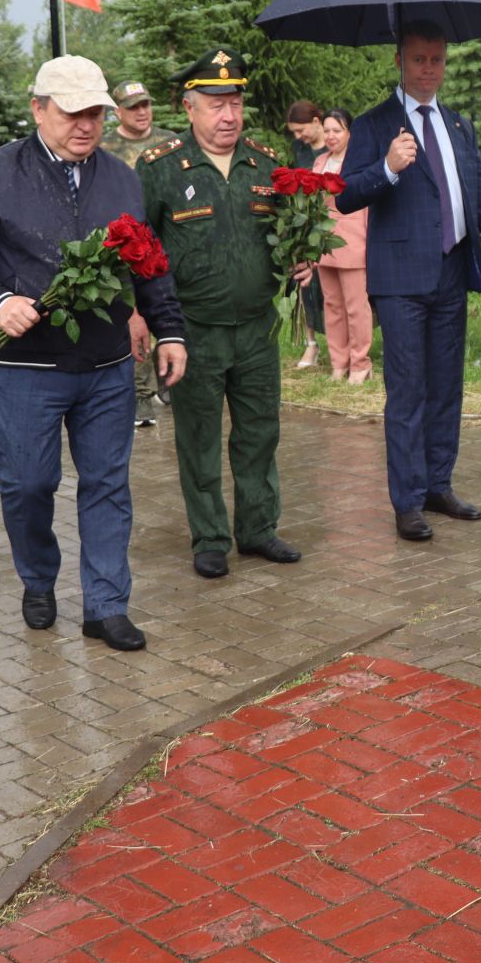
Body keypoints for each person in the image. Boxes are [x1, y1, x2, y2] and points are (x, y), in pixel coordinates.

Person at [0, 56, 188, 652]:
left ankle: (105, 604)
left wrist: (168, 328)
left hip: (105, 367)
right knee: (27, 484)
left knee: (107, 484)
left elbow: (148, 261)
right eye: (73, 112)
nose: (87, 124)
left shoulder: (123, 179)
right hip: (27, 369)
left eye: (96, 112)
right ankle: (38, 577)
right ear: (39, 109)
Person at [338, 21, 481, 542]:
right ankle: (407, 502)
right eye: (419, 59)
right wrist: (389, 167)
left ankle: (437, 485)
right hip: (399, 279)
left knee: (447, 386)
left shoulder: (459, 126)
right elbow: (345, 195)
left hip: (451, 272)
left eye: (437, 59)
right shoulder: (377, 124)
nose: (429, 69)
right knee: (408, 391)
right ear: (400, 60)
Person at [140, 48, 304, 579]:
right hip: (192, 332)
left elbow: (284, 235)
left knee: (259, 432)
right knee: (199, 436)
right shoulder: (160, 169)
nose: (228, 115)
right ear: (190, 108)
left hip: (257, 327)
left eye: (234, 102)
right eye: (215, 104)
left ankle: (257, 529)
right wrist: (141, 316)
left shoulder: (265, 163)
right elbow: (137, 248)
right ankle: (210, 536)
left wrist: (299, 259)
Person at [101, 80, 177, 426]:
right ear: (118, 112)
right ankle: (141, 396)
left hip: (167, 242)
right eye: (133, 107)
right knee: (135, 320)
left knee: (170, 310)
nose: (142, 112)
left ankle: (170, 380)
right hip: (126, 245)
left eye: (146, 105)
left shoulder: (170, 142)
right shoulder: (105, 147)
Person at [313, 109, 372, 383]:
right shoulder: (319, 162)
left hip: (353, 241)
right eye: (326, 131)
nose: (331, 136)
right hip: (325, 244)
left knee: (356, 307)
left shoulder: (359, 163)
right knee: (332, 305)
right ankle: (339, 362)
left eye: (337, 130)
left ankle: (360, 364)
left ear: (350, 133)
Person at [284, 99, 327, 369]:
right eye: (294, 133)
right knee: (303, 282)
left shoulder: (336, 144)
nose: (298, 137)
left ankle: (344, 342)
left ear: (316, 121)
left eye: (301, 130)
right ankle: (311, 344)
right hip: (304, 221)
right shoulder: (298, 149)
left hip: (331, 223)